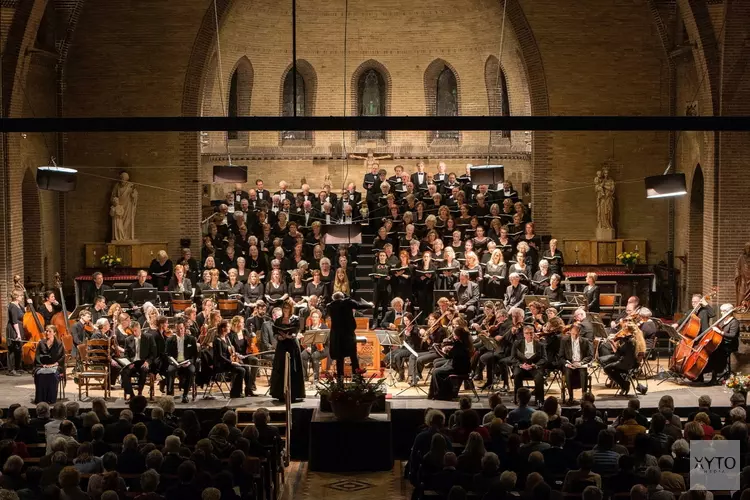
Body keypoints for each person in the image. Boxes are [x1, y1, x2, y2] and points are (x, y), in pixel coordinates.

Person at [327, 292, 374, 381]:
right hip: (348, 334)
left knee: (339, 358)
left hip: (336, 336)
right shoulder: (348, 302)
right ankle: (356, 378)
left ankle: (340, 380)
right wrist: (370, 305)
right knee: (353, 356)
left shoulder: (330, 306)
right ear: (343, 297)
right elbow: (359, 306)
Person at [269, 301, 305, 401]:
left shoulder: (297, 319)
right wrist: (278, 337)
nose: (285, 309)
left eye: (287, 307)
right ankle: (280, 394)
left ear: (291, 308)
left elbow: (299, 331)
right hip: (282, 345)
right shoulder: (278, 320)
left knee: (293, 368)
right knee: (281, 367)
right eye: (284, 307)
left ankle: (294, 394)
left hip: (292, 345)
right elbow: (275, 333)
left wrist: (292, 336)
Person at [428, 327, 473, 400]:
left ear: (458, 336)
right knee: (436, 370)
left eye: (454, 335)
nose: (453, 337)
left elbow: (447, 356)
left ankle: (441, 394)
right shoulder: (463, 343)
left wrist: (437, 349)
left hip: (459, 368)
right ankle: (437, 393)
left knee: (436, 372)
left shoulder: (459, 345)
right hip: (460, 366)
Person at [213, 320, 252, 398]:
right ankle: (235, 392)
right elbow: (220, 356)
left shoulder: (227, 338)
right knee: (241, 370)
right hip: (221, 363)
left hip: (228, 361)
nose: (230, 328)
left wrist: (237, 354)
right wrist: (231, 362)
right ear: (223, 328)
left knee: (246, 367)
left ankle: (246, 390)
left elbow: (229, 351)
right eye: (228, 326)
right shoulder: (217, 340)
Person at [512, 325, 547, 406]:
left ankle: (539, 401)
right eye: (527, 333)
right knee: (517, 375)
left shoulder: (540, 344)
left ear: (534, 333)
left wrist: (535, 365)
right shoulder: (517, 343)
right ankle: (519, 399)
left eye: (531, 333)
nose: (529, 335)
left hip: (534, 367)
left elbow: (544, 359)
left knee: (539, 377)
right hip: (522, 366)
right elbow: (512, 358)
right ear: (524, 334)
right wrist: (521, 365)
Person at [166, 318, 199, 403]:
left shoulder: (191, 339)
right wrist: (173, 362)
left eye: (181, 328)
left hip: (187, 362)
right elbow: (167, 355)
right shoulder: (170, 340)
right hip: (175, 363)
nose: (180, 330)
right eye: (178, 329)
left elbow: (195, 355)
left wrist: (190, 362)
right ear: (175, 329)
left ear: (184, 328)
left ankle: (185, 395)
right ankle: (169, 395)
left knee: (191, 370)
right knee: (170, 370)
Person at [121, 322, 156, 399]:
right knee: (124, 372)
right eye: (132, 331)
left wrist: (148, 362)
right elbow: (126, 354)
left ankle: (140, 392)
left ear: (140, 329)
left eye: (136, 330)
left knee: (143, 369)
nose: (134, 333)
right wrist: (129, 363)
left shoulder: (148, 337)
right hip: (133, 363)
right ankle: (132, 395)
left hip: (143, 362)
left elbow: (153, 354)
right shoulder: (128, 339)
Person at [559, 323, 593, 405]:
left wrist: (581, 363)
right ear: (570, 331)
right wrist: (568, 364)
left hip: (580, 364)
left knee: (583, 371)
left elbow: (590, 356)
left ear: (580, 332)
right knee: (567, 371)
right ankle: (571, 397)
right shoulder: (564, 341)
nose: (575, 336)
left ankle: (584, 397)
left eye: (577, 334)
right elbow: (561, 357)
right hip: (570, 364)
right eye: (573, 333)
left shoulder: (585, 341)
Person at [34, 325, 65, 404]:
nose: (47, 333)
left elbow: (62, 356)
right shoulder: (41, 343)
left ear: (54, 333)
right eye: (46, 331)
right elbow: (37, 356)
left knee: (52, 375)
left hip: (56, 365)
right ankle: (41, 399)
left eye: (49, 331)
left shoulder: (58, 343)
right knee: (40, 375)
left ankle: (51, 399)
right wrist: (42, 365)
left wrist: (55, 364)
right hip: (42, 365)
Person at [5, 289, 26, 376]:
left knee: (18, 349)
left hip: (19, 328)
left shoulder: (18, 305)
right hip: (14, 329)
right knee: (12, 349)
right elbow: (14, 321)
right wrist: (18, 334)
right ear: (16, 297)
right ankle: (11, 370)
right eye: (21, 296)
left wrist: (30, 303)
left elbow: (24, 313)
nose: (22, 297)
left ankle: (18, 367)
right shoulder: (13, 306)